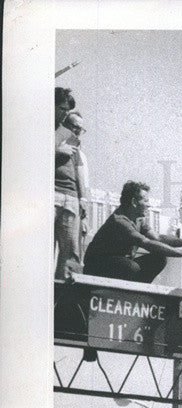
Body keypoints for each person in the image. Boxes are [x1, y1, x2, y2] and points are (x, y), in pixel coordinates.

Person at [83, 181, 182, 282]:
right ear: (134, 202)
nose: (148, 205)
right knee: (132, 267)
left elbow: (157, 238)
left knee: (159, 259)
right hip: (96, 267)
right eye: (146, 200)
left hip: (118, 264)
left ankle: (137, 293)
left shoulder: (138, 219)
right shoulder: (119, 221)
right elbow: (146, 243)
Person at [54, 88, 86, 279]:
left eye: (67, 110)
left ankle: (65, 302)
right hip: (51, 193)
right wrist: (57, 152)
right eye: (62, 109)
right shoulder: (37, 129)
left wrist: (83, 198)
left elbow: (78, 170)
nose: (64, 113)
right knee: (44, 248)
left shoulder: (70, 135)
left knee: (71, 252)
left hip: (71, 198)